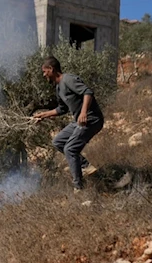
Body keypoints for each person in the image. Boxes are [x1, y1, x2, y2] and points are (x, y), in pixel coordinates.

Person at [32, 56, 104, 192]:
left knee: (70, 149)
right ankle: (86, 166)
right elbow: (62, 109)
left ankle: (78, 187)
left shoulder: (68, 79)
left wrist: (83, 112)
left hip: (91, 119)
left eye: (44, 71)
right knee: (58, 142)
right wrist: (43, 115)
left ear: (51, 69)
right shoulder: (59, 88)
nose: (43, 75)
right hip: (79, 121)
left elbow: (88, 92)